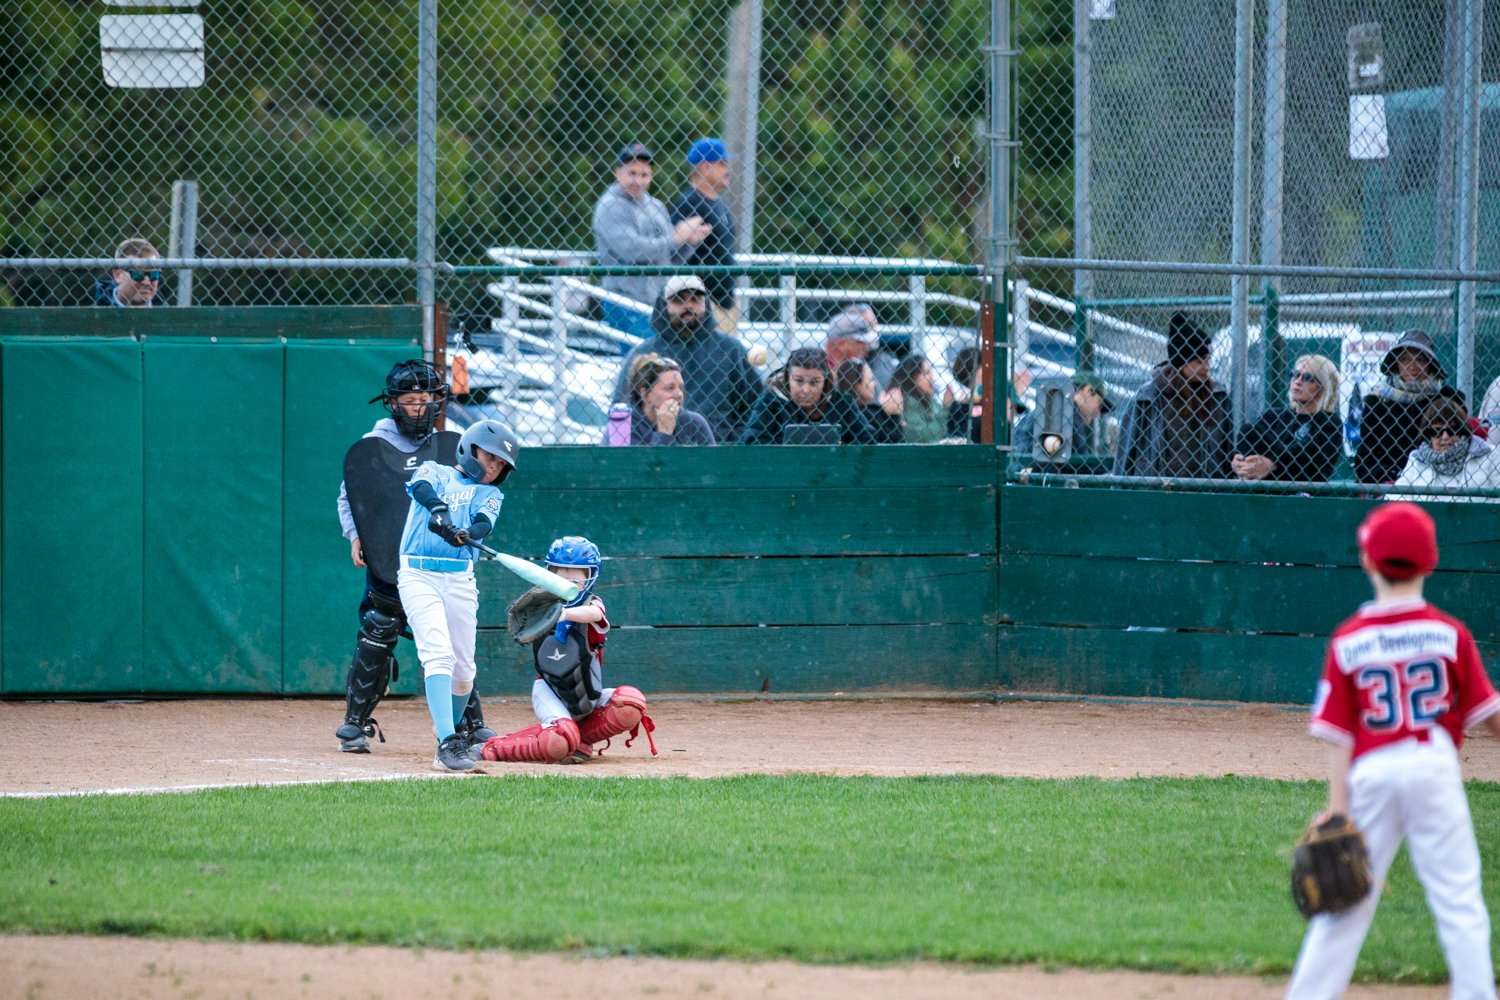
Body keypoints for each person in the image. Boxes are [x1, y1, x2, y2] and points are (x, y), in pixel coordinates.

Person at [1284, 502, 1500, 1000]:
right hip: (1433, 766)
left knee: (1346, 901)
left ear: (1367, 561)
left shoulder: (1349, 639)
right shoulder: (1449, 633)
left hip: (1372, 771)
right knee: (1459, 900)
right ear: (1430, 562)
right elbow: (1490, 714)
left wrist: (1338, 811)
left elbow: (1338, 734)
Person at [335, 360, 495, 753]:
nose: (420, 408)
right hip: (393, 566)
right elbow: (352, 497)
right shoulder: (372, 446)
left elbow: (472, 495)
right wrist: (357, 535)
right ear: (392, 404)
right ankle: (355, 724)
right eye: (411, 401)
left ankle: (470, 725)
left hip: (441, 563)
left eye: (427, 400)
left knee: (453, 645)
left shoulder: (452, 448)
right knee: (379, 625)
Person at [398, 418, 518, 772]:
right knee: (439, 655)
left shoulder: (491, 493)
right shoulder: (434, 470)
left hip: (460, 579)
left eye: (499, 466)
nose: (492, 468)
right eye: (489, 457)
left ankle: (444, 737)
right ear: (470, 448)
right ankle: (449, 743)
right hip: (419, 573)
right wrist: (439, 512)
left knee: (464, 672)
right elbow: (421, 489)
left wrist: (465, 531)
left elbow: (484, 522)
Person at [481, 537, 656, 765]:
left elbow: (593, 615)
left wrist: (563, 614)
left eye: (576, 574)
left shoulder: (592, 604)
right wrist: (549, 614)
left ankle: (579, 739)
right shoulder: (539, 607)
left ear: (590, 575)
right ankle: (493, 748)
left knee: (630, 703)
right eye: (559, 572)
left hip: (588, 694)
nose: (566, 579)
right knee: (558, 740)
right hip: (550, 691)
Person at [611, 275, 762, 442]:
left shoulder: (731, 349)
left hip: (721, 449)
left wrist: (735, 439)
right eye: (678, 300)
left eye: (696, 299)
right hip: (654, 447)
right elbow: (621, 407)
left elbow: (757, 406)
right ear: (663, 305)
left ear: (706, 303)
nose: (688, 306)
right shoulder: (644, 354)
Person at [592, 142, 711, 338]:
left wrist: (689, 242)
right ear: (617, 173)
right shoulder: (610, 206)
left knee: (659, 364)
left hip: (658, 302)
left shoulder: (655, 206)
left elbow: (668, 258)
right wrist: (676, 237)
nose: (638, 180)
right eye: (632, 173)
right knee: (642, 363)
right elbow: (632, 251)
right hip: (624, 301)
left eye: (644, 174)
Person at [1112, 312, 1232, 479]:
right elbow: (1126, 453)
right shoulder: (1148, 397)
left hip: (1206, 494)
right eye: (1200, 361)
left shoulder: (1217, 396)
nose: (1207, 367)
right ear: (1182, 361)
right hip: (1156, 493)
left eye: (1209, 359)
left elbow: (1229, 449)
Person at [1353, 329, 1448, 485]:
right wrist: (1398, 477)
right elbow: (1365, 459)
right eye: (1404, 359)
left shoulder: (1445, 400)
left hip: (1433, 482)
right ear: (1396, 364)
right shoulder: (1377, 401)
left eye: (1420, 359)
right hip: (1386, 483)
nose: (1412, 367)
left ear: (1430, 364)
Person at [1231, 354, 1342, 483]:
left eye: (1308, 378)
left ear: (1323, 387)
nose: (1298, 381)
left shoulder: (1329, 423)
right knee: (1249, 430)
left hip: (1303, 492)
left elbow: (1304, 458)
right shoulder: (1272, 416)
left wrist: (1272, 463)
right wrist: (1238, 463)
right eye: (1295, 374)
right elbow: (1247, 437)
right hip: (1263, 489)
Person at [671, 138, 739, 335]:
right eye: (722, 164)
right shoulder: (690, 203)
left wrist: (730, 293)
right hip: (701, 304)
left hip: (723, 301)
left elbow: (723, 252)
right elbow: (677, 255)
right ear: (705, 167)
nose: (727, 169)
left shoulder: (718, 203)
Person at [742, 346, 875, 444]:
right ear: (788, 378)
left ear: (825, 381)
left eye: (814, 382)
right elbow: (752, 438)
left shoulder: (841, 402)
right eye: (799, 381)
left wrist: (840, 453)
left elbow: (867, 438)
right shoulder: (771, 401)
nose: (806, 390)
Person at [1392, 392, 1500, 502]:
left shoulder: (1489, 455)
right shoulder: (1417, 460)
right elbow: (1395, 498)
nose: (1445, 437)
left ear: (1462, 431)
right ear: (1428, 435)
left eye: (1452, 430)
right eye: (1437, 431)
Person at [1012, 370, 1113, 467]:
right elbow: (1078, 464)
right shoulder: (1065, 412)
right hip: (1032, 478)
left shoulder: (1059, 407)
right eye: (1099, 403)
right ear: (1088, 390)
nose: (1098, 413)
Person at [611, 353, 715, 445]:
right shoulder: (622, 422)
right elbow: (639, 466)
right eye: (670, 388)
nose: (679, 394)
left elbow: (713, 464)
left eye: (681, 387)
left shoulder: (694, 423)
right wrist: (664, 433)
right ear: (646, 394)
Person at [834, 359, 902, 443]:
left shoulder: (839, 409)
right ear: (857, 385)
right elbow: (897, 442)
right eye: (870, 380)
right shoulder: (869, 414)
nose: (874, 384)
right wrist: (894, 415)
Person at [884, 354, 948, 444]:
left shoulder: (927, 398)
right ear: (912, 377)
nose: (931, 377)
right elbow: (926, 436)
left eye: (931, 372)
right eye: (926, 373)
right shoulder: (908, 400)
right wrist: (945, 410)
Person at [93, 238, 167, 307]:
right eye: (139, 274)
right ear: (118, 274)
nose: (147, 282)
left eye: (154, 274)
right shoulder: (95, 312)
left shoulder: (167, 315)